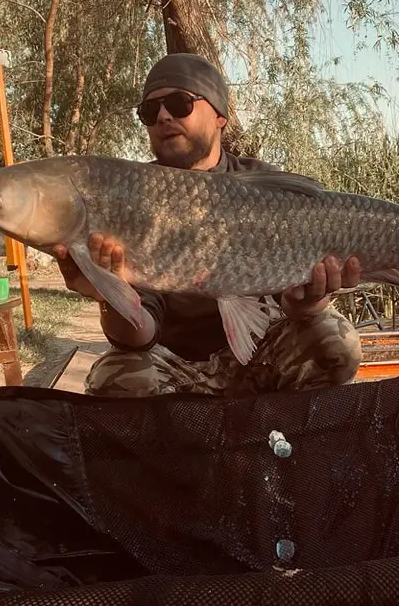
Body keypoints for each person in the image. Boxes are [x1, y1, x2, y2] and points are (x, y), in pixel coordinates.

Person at [54, 52, 362, 397]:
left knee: (337, 342)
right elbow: (139, 336)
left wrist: (309, 301)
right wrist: (109, 296)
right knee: (114, 377)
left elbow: (292, 304)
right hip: (178, 366)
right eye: (150, 111)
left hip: (262, 355)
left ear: (220, 116)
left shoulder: (267, 187)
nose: (163, 116)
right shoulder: (131, 200)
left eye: (179, 103)